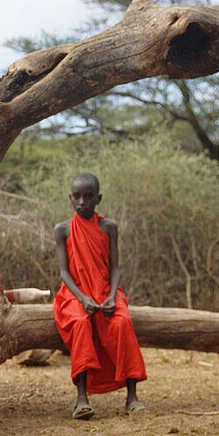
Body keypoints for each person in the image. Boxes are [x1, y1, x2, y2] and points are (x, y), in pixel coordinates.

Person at [53, 173, 147, 419]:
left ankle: (132, 397)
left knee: (122, 322)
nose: (82, 201)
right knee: (81, 323)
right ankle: (81, 398)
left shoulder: (109, 227)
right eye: (77, 196)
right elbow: (64, 272)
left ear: (98, 199)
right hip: (74, 294)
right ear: (70, 199)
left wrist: (113, 296)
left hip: (107, 291)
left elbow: (115, 268)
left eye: (88, 196)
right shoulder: (62, 229)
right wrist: (83, 299)